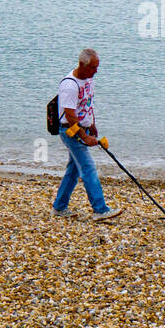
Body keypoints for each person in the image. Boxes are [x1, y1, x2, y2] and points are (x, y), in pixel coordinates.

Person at [53, 48, 122, 221]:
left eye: (97, 67)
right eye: (93, 67)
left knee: (74, 169)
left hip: (83, 127)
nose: (96, 71)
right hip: (71, 131)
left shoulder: (89, 79)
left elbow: (87, 104)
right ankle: (100, 209)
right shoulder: (69, 85)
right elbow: (69, 116)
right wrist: (84, 136)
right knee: (88, 168)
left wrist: (92, 124)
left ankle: (59, 207)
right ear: (82, 65)